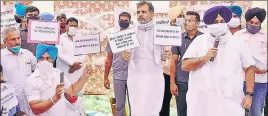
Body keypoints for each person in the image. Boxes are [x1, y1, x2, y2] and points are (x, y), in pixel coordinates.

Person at [181, 6, 255, 116]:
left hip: (230, 102)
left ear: (227, 23)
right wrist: (203, 58)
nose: (219, 24)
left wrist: (249, 95)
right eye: (215, 22)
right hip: (202, 103)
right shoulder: (200, 41)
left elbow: (249, 68)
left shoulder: (238, 42)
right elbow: (185, 66)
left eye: (222, 21)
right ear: (209, 24)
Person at [122, 1, 166, 115]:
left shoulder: (161, 30)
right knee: (137, 106)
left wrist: (166, 54)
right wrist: (124, 54)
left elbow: (166, 52)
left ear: (151, 13)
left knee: (153, 106)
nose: (140, 14)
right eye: (138, 12)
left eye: (143, 12)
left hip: (154, 75)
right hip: (136, 75)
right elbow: (125, 52)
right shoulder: (130, 31)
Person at [24, 44, 92, 116]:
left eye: (48, 58)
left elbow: (72, 91)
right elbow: (35, 109)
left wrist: (84, 77)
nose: (44, 61)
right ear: (37, 60)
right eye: (41, 58)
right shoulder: (31, 80)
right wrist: (55, 98)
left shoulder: (59, 73)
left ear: (53, 60)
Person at [234, 7, 267, 116]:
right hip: (240, 80)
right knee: (238, 111)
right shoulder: (238, 35)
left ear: (261, 23)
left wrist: (265, 69)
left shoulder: (266, 36)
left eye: (257, 23)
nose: (253, 25)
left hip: (259, 81)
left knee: (255, 112)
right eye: (251, 22)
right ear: (246, 21)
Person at [170, 11, 203, 116]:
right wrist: (172, 83)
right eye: (186, 20)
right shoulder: (178, 38)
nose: (186, 23)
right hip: (182, 82)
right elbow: (174, 61)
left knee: (198, 111)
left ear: (197, 23)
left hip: (199, 81)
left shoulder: (204, 38)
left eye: (190, 20)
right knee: (182, 112)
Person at [1, 27, 37, 115]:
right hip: (11, 102)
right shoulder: (1, 56)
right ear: (5, 42)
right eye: (13, 39)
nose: (17, 42)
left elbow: (37, 71)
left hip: (30, 97)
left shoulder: (27, 54)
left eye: (18, 38)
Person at [104, 12, 132, 116]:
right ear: (118, 21)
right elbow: (109, 59)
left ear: (130, 22)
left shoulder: (135, 37)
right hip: (118, 76)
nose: (123, 22)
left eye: (126, 20)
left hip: (133, 75)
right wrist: (105, 77)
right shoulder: (113, 38)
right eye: (121, 20)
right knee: (119, 106)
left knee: (134, 104)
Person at [56, 17, 87, 84]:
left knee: (77, 91)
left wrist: (75, 67)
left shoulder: (81, 39)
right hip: (63, 69)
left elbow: (84, 54)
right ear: (66, 26)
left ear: (77, 27)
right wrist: (72, 63)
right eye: (71, 25)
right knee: (62, 90)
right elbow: (59, 54)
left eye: (75, 26)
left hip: (78, 70)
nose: (73, 27)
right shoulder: (60, 38)